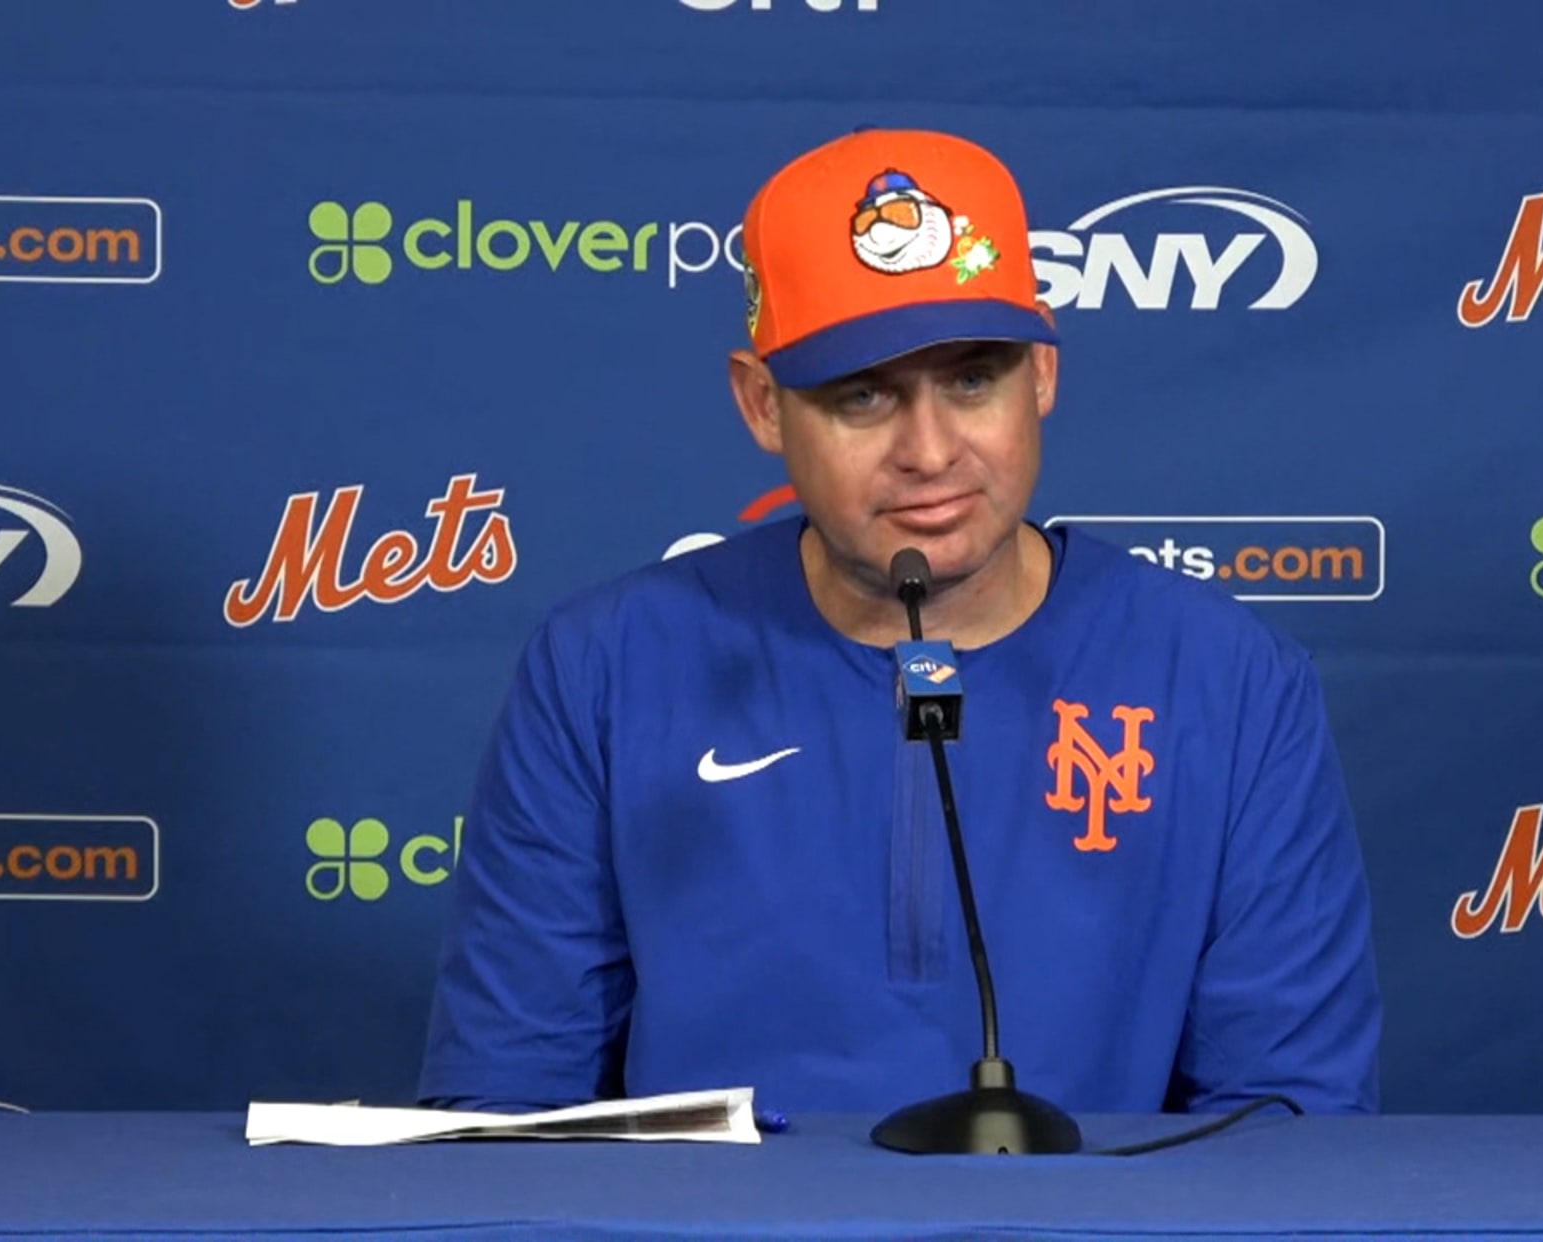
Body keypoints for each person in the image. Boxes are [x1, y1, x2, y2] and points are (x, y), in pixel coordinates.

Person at [416, 127, 1382, 1118]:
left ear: (1042, 374)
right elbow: (504, 1102)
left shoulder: (1230, 681)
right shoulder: (604, 669)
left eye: (972, 379)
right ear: (762, 404)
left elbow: (1287, 1118)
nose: (929, 452)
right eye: (864, 395)